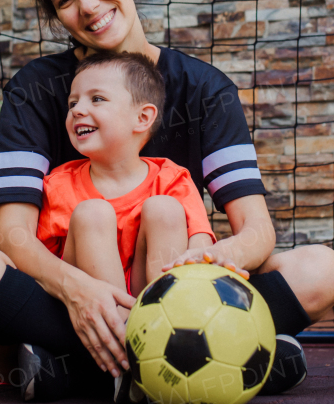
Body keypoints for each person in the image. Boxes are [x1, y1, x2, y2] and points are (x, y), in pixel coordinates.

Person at [0, 0, 334, 402]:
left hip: (170, 287)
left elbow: (256, 233)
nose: (86, 5)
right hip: (69, 296)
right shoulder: (36, 90)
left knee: (321, 270)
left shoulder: (206, 90)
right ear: (58, 17)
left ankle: (69, 371)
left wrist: (206, 262)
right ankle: (208, 360)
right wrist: (78, 290)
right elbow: (15, 236)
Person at [39, 50, 216, 302]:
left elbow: (200, 242)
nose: (78, 110)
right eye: (73, 103)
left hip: (151, 296)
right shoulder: (58, 184)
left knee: (164, 209)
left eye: (97, 99)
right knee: (92, 213)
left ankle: (165, 315)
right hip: (86, 307)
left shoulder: (172, 178)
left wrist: (203, 266)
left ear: (143, 118)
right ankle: (117, 326)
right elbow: (44, 268)